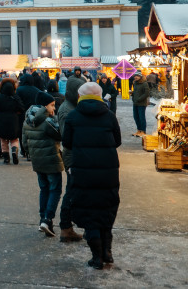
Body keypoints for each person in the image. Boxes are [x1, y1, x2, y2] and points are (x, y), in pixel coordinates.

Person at [61, 82, 121, 269]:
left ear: (80, 96)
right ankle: (107, 252)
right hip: (108, 171)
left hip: (83, 171)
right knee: (106, 207)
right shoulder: (110, 116)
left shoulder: (72, 116)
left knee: (89, 210)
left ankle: (96, 257)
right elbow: (117, 141)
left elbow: (67, 143)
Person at [22, 92, 64, 237]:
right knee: (55, 189)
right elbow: (60, 135)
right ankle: (47, 219)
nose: (54, 109)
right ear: (45, 106)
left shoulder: (27, 120)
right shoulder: (47, 122)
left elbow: (24, 144)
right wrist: (55, 118)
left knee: (44, 189)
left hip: (37, 161)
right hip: (51, 160)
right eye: (52, 105)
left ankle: (43, 220)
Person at [56, 76, 84, 244]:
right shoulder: (67, 110)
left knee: (74, 191)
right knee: (71, 192)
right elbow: (68, 136)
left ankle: (68, 227)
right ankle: (66, 228)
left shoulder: (72, 106)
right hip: (71, 155)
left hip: (74, 154)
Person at [0, 78, 24, 164]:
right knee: (14, 139)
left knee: (3, 140)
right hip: (14, 120)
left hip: (2, 119)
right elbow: (22, 108)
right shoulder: (15, 97)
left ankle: (6, 158)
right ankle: (14, 151)